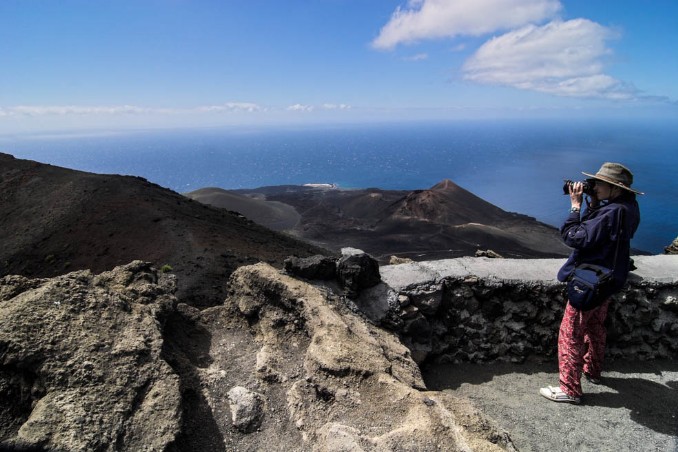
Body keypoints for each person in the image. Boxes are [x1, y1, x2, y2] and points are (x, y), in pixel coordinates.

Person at [540, 162, 642, 404]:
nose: (593, 186)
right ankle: (592, 371)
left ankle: (569, 389)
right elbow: (603, 234)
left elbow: (576, 237)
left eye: (599, 184)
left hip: (591, 280)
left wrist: (575, 208)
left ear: (615, 188)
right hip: (610, 278)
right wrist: (594, 204)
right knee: (595, 327)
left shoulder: (611, 212)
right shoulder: (628, 207)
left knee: (570, 333)